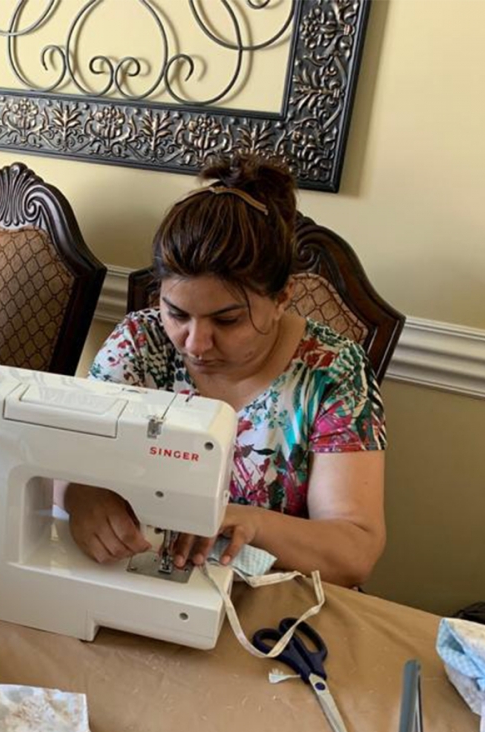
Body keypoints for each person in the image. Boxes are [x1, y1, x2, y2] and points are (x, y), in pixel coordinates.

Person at [64, 153, 387, 586]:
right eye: (176, 313)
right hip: (135, 582)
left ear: (283, 297)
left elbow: (354, 551)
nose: (195, 344)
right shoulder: (140, 344)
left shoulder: (332, 373)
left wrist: (248, 523)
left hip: (269, 606)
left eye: (227, 320)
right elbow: (65, 456)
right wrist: (77, 494)